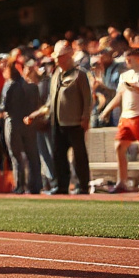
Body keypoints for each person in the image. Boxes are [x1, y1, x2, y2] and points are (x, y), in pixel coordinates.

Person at [28, 40, 93, 195]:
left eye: (60, 56)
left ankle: (83, 186)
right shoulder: (56, 74)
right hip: (57, 123)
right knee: (58, 156)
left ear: (68, 56)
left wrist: (85, 117)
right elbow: (51, 101)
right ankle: (61, 186)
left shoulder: (80, 74)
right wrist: (36, 114)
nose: (57, 60)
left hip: (75, 122)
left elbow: (87, 99)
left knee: (79, 156)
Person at [96, 46, 139, 192]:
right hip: (126, 116)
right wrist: (106, 110)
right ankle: (122, 182)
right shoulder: (124, 75)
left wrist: (134, 88)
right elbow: (119, 95)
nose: (127, 60)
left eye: (131, 57)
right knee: (120, 146)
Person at [0, 54, 42, 194]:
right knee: (32, 155)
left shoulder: (9, 85)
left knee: (15, 156)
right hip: (28, 122)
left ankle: (19, 185)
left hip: (13, 122)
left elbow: (3, 106)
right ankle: (35, 185)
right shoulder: (32, 87)